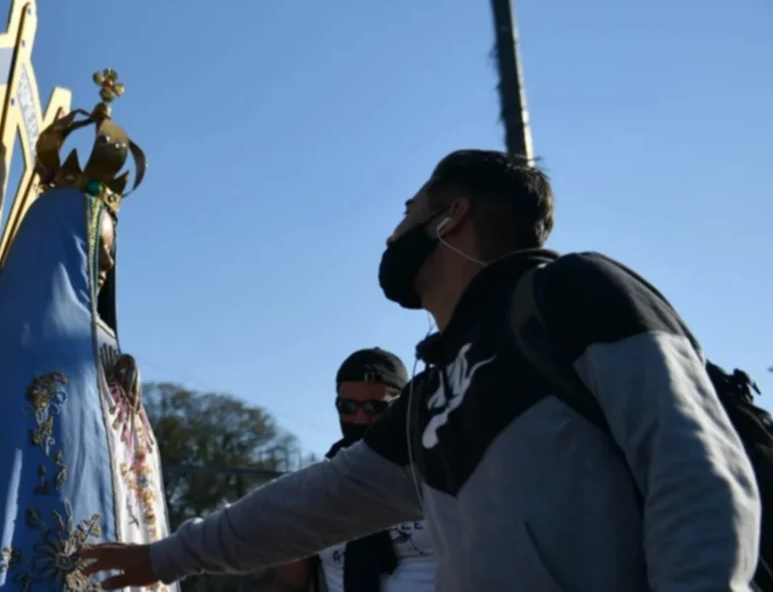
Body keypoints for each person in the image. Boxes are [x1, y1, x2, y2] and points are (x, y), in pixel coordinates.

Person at [81, 150, 760, 592]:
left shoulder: (577, 290)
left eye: (407, 211)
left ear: (448, 217)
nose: (391, 232)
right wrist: (165, 556)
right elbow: (316, 501)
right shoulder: (431, 392)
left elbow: (695, 467)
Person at [0, 175, 174, 591]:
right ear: (61, 247)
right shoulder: (25, 342)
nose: (109, 265)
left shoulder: (99, 342)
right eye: (98, 249)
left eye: (112, 252)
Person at [271, 348, 436, 592]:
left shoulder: (439, 475)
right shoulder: (317, 487)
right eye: (348, 407)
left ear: (403, 407)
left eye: (375, 407)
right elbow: (290, 583)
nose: (359, 419)